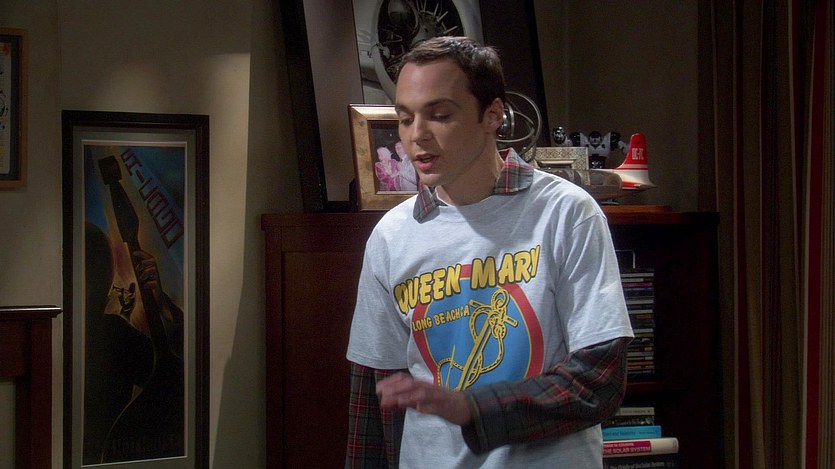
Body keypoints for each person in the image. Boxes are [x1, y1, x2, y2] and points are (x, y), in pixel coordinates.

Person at [345, 36, 634, 468]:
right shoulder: (391, 235)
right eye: (405, 119)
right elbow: (373, 406)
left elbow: (599, 381)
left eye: (440, 115)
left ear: (493, 115)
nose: (416, 135)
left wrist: (477, 409)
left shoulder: (566, 213)